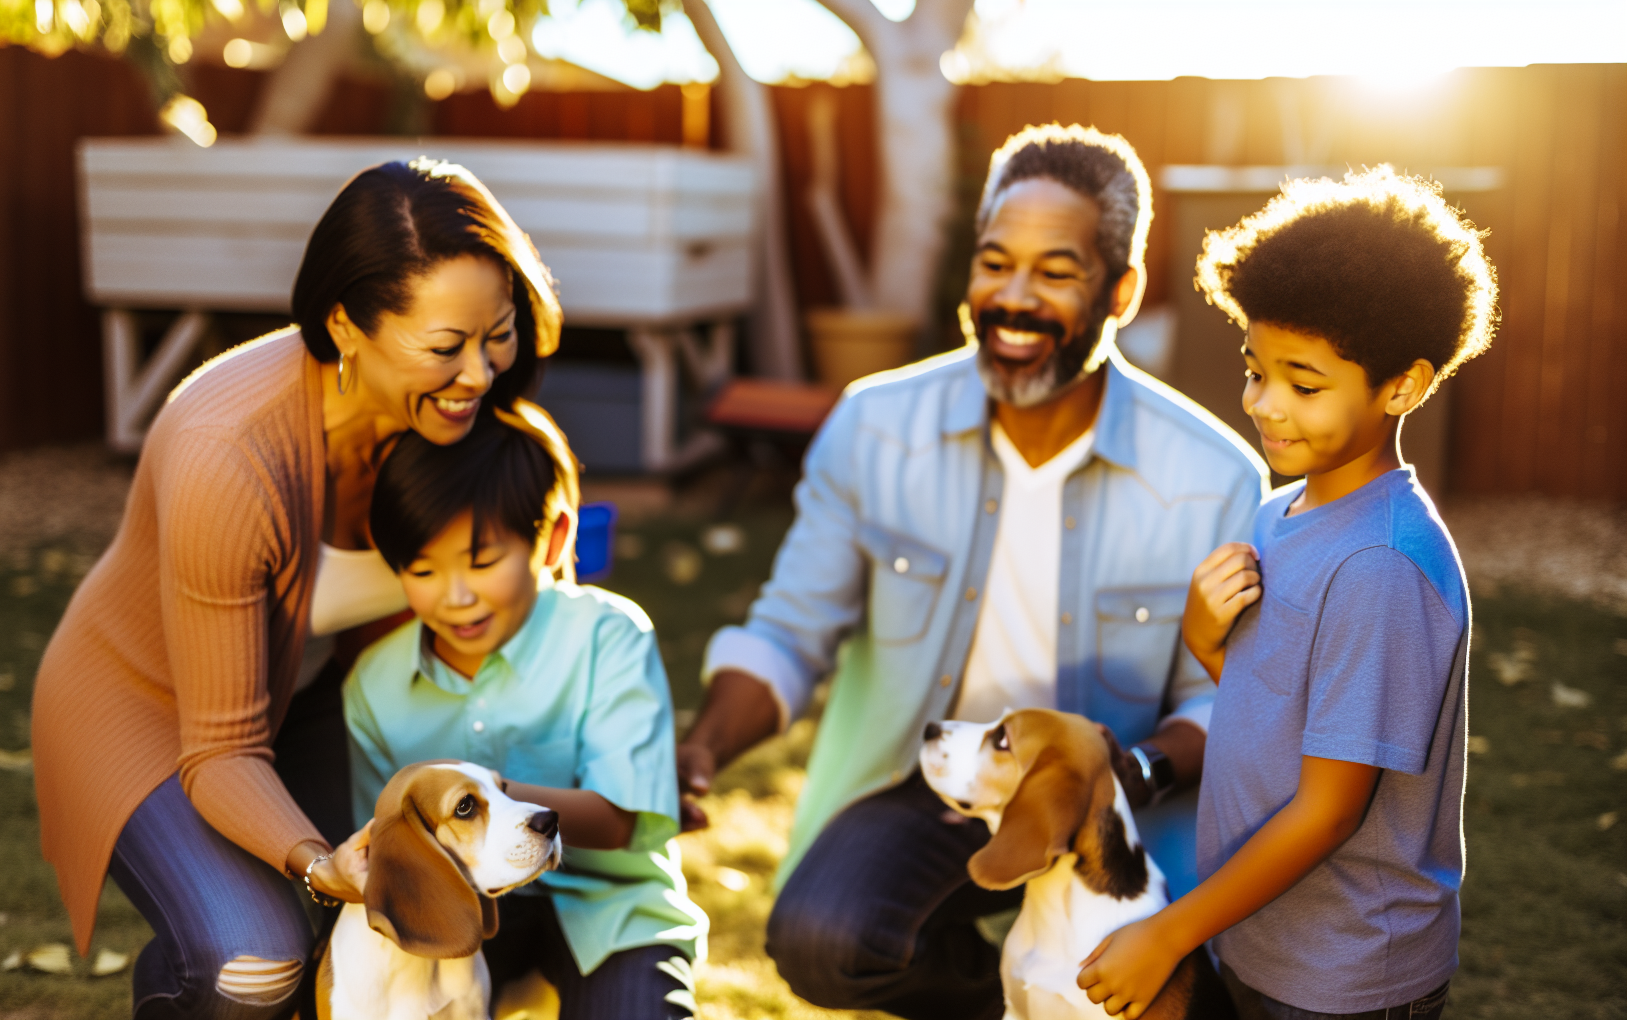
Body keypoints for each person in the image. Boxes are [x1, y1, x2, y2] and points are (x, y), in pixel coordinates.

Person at [677, 124, 1266, 1020]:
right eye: (995, 263)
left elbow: (1223, 699)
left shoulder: (1212, 474)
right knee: (823, 939)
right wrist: (705, 746)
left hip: (1125, 809)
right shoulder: (874, 426)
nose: (1014, 298)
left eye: (1056, 272)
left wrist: (1129, 773)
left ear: (1123, 290)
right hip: (933, 784)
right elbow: (792, 629)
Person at [31, 158, 562, 1020]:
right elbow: (221, 749)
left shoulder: (451, 417)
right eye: (445, 347)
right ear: (346, 326)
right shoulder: (227, 454)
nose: (480, 374)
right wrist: (320, 864)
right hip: (141, 712)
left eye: (495, 333)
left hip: (301, 695)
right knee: (259, 957)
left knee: (386, 910)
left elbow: (515, 574)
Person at [1076, 167, 1494, 1020]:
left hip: (1344, 971)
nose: (1265, 406)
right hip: (1265, 933)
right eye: (1254, 369)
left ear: (1403, 387)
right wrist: (1209, 645)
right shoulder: (1280, 512)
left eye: (1304, 385)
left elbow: (1331, 810)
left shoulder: (1383, 566)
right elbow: (1299, 718)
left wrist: (1168, 933)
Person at [343, 415, 707, 1019]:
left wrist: (468, 797)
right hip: (458, 910)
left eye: (482, 562)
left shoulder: (609, 636)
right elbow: (393, 847)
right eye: (423, 570)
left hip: (611, 912)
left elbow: (619, 819)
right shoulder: (373, 685)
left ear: (555, 538)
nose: (455, 596)